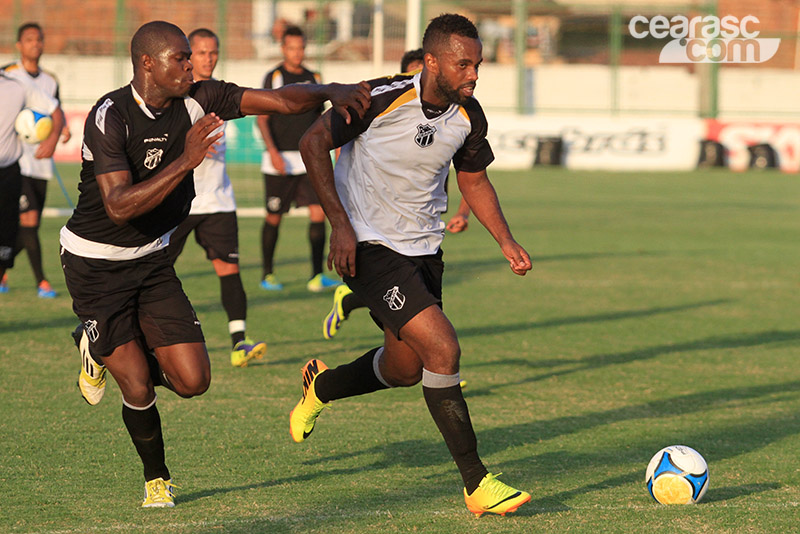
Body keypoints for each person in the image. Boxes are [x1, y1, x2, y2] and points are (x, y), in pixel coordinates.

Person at [61, 20, 370, 508]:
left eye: (191, 56)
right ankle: (156, 479)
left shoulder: (200, 96)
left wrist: (329, 90)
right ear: (147, 64)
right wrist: (186, 161)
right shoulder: (110, 115)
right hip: (95, 265)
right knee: (136, 383)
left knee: (194, 381)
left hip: (152, 259)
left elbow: (279, 100)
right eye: (180, 58)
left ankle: (100, 346)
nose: (191, 65)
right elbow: (118, 206)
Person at [293, 14, 532, 517]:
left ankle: (322, 386)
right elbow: (312, 142)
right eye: (463, 64)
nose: (473, 74)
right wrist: (339, 224)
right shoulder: (375, 98)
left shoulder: (469, 116)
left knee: (404, 368)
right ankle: (476, 482)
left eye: (478, 65)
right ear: (431, 62)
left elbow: (473, 180)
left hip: (423, 251)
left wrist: (505, 239)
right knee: (443, 348)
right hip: (367, 247)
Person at [321, 48, 471, 340]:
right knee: (436, 343)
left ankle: (347, 304)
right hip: (377, 237)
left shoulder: (454, 116)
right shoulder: (383, 105)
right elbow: (328, 147)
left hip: (423, 234)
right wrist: (341, 223)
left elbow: (471, 176)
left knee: (406, 358)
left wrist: (463, 213)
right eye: (416, 73)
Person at [166, 28, 266, 368]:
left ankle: (239, 343)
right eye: (202, 52)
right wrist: (190, 147)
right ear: (188, 56)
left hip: (218, 200)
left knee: (229, 270)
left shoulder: (221, 94)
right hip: (179, 202)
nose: (208, 58)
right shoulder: (175, 94)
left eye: (213, 52)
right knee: (156, 269)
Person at [256, 25, 341, 293]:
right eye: (292, 48)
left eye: (301, 47)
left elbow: (321, 118)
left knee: (318, 213)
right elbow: (262, 118)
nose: (297, 52)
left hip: (309, 159)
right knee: (274, 216)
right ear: (283, 49)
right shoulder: (275, 77)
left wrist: (330, 148)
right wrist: (273, 152)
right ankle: (268, 274)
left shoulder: (314, 77)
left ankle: (316, 275)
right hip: (279, 160)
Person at [0, 22, 70, 298]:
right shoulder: (9, 74)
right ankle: (42, 281)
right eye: (29, 39)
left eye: (39, 39)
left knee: (29, 227)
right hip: (19, 164)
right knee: (27, 222)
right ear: (19, 45)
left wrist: (58, 133)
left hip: (41, 165)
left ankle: (3, 266)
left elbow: (56, 110)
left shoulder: (49, 81)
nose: (35, 44)